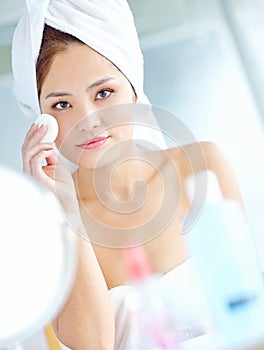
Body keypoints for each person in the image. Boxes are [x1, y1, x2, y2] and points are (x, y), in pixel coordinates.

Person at [12, 1, 243, 349]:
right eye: (62, 105)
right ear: (40, 120)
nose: (88, 120)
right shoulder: (47, 225)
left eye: (104, 93)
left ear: (133, 86)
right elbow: (94, 344)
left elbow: (251, 309)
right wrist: (62, 208)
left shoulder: (204, 166)